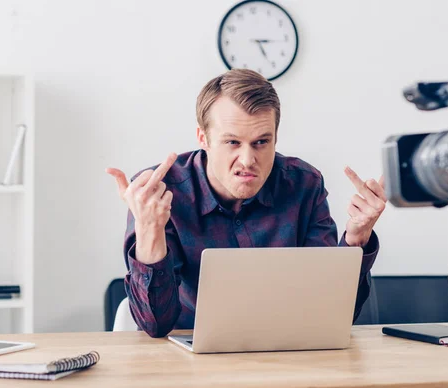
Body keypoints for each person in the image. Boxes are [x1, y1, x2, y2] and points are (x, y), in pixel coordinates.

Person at [107, 69, 386, 338]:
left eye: (261, 142)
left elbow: (331, 312)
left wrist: (357, 238)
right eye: (232, 142)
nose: (247, 160)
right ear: (203, 138)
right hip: (186, 360)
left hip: (286, 351)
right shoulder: (157, 194)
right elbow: (155, 325)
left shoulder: (304, 184)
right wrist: (149, 230)